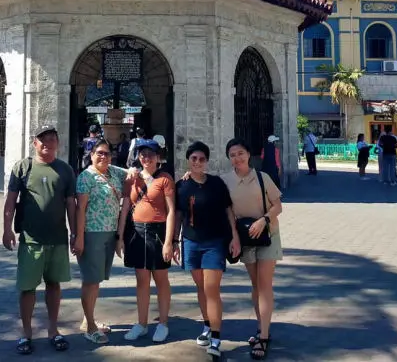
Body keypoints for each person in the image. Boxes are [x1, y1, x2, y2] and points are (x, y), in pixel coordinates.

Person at [3, 126, 77, 355]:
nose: (47, 142)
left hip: (57, 239)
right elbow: (10, 202)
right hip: (31, 239)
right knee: (28, 288)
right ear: (34, 143)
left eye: (52, 139)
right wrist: (6, 230)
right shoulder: (23, 167)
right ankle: (26, 334)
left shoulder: (65, 170)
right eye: (42, 139)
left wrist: (75, 233)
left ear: (58, 143)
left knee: (54, 285)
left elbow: (71, 206)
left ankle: (53, 331)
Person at [174, 142, 240, 358]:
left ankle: (216, 336)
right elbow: (178, 215)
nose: (198, 163)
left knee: (212, 288)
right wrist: (174, 241)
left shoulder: (216, 184)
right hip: (191, 242)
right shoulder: (181, 185)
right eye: (194, 159)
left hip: (214, 242)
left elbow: (229, 210)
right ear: (188, 161)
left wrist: (235, 236)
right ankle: (207, 324)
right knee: (201, 287)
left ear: (207, 161)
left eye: (202, 159)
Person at [222, 138, 283, 360]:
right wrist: (234, 236)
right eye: (232, 155)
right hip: (245, 239)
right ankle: (261, 326)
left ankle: (264, 336)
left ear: (248, 154)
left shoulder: (262, 177)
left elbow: (278, 206)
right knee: (255, 284)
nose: (237, 158)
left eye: (240, 153)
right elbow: (228, 211)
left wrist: (263, 220)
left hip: (267, 235)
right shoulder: (225, 181)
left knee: (265, 283)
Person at [75, 139, 138, 344]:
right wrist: (79, 237)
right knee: (91, 280)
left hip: (110, 233)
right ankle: (90, 327)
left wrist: (135, 173)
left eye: (107, 153)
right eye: (99, 153)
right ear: (91, 155)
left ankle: (88, 318)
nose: (103, 157)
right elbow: (80, 209)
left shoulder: (113, 172)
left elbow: (132, 172)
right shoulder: (86, 177)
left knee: (97, 279)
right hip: (91, 233)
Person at [120, 139, 175, 343]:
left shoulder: (165, 179)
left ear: (158, 157)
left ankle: (163, 323)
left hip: (158, 232)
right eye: (142, 154)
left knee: (161, 279)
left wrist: (169, 241)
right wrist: (120, 237)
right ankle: (142, 323)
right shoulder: (133, 178)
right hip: (137, 232)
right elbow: (125, 207)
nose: (146, 158)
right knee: (141, 280)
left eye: (150, 154)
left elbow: (170, 212)